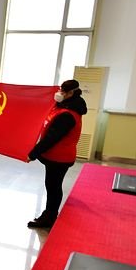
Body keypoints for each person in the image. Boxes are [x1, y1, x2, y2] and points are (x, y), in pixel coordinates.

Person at [27, 79, 87, 229]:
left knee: (53, 187)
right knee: (52, 185)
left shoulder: (68, 115)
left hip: (59, 157)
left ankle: (49, 217)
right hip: (58, 156)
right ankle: (49, 214)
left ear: (71, 93)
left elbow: (51, 138)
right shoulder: (67, 107)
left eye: (63, 91)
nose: (60, 93)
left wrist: (33, 153)